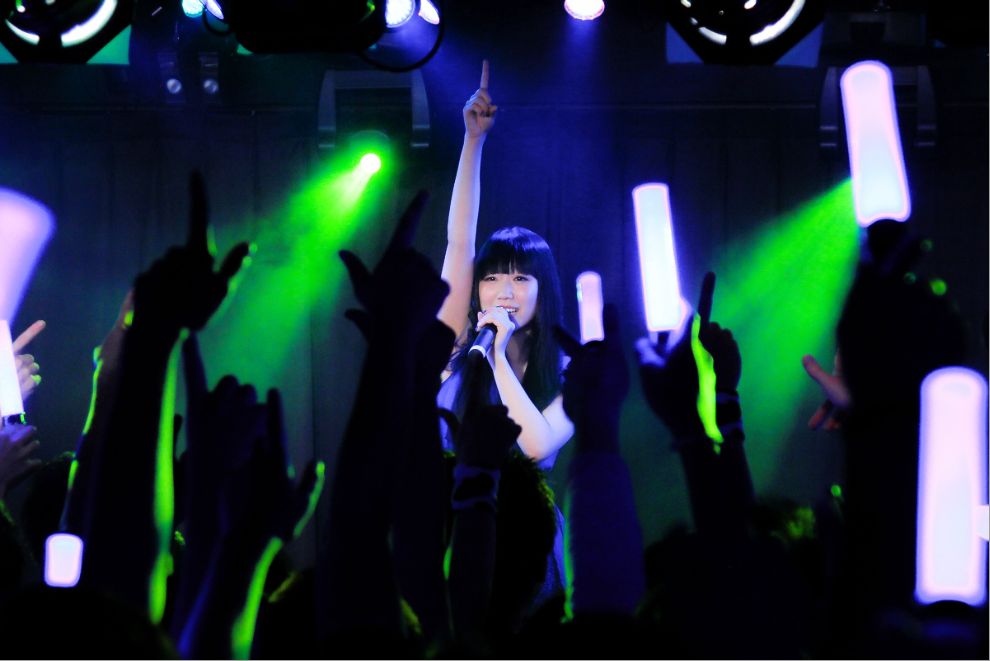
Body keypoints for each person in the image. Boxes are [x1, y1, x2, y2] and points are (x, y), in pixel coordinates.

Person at [437, 60, 574, 470]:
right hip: (453, 508)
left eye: (520, 277)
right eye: (492, 277)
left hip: (526, 511)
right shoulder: (457, 345)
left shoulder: (569, 372)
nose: (504, 292)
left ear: (543, 290)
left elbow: (536, 447)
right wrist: (473, 140)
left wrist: (497, 357)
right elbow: (460, 242)